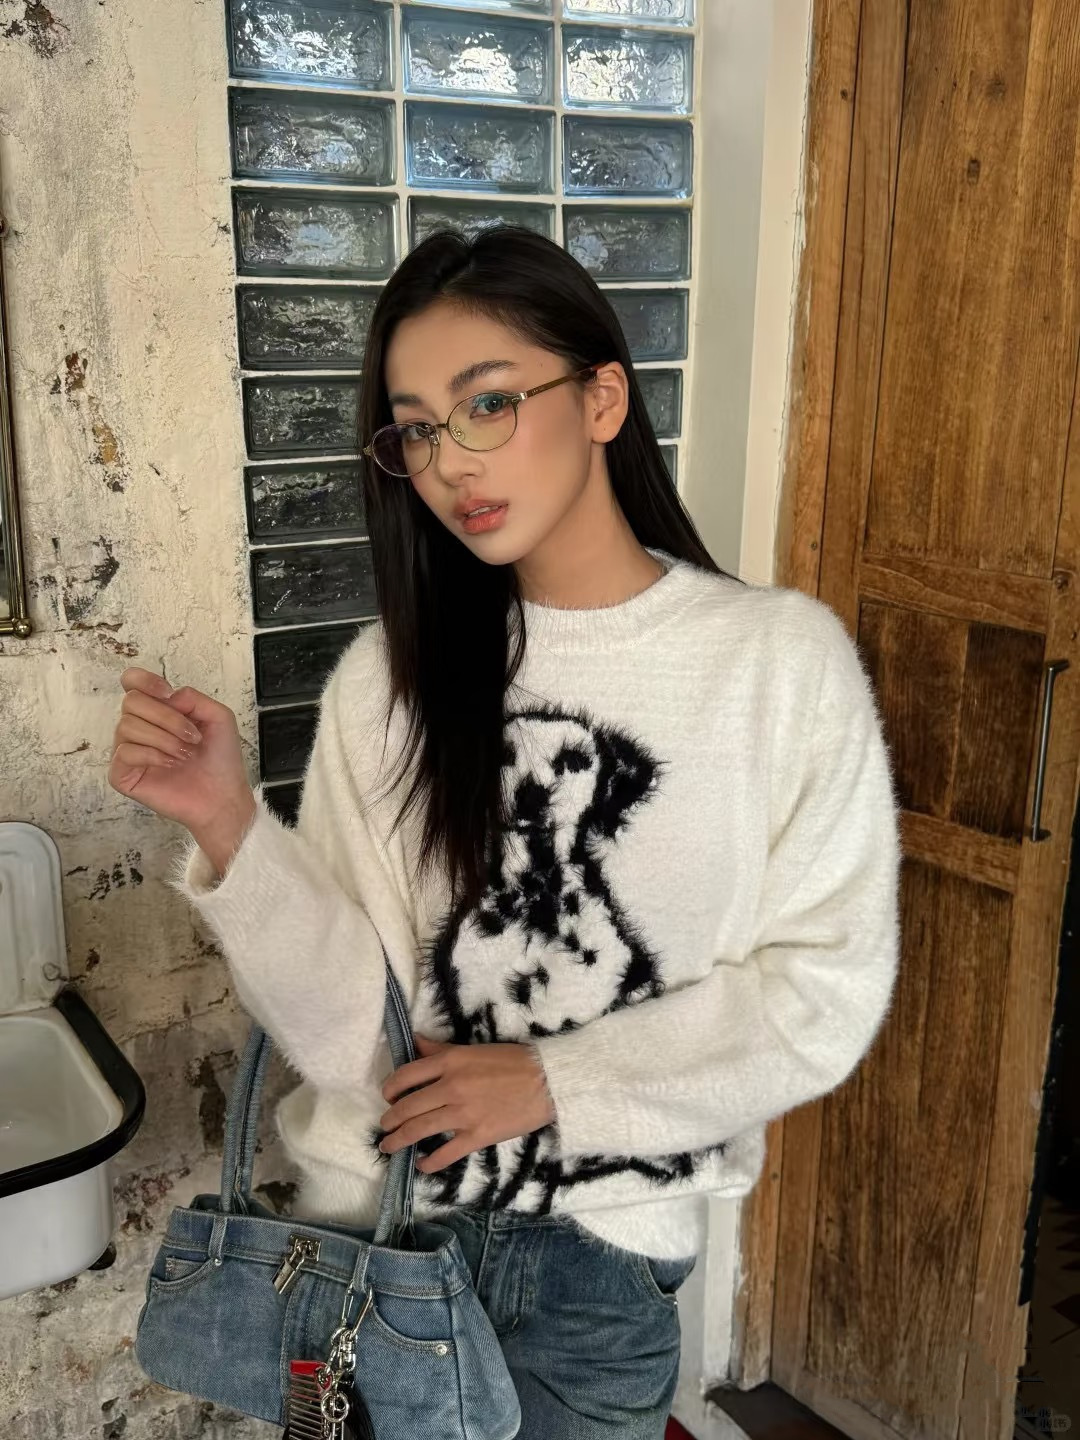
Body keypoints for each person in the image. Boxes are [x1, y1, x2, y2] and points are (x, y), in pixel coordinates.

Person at [109, 227, 901, 1439]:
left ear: (602, 399)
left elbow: (824, 990)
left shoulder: (779, 665)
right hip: (375, 1237)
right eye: (417, 430)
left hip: (597, 1265)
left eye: (488, 404)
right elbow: (352, 1035)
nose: (450, 464)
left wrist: (551, 1081)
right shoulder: (388, 683)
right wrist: (227, 820)